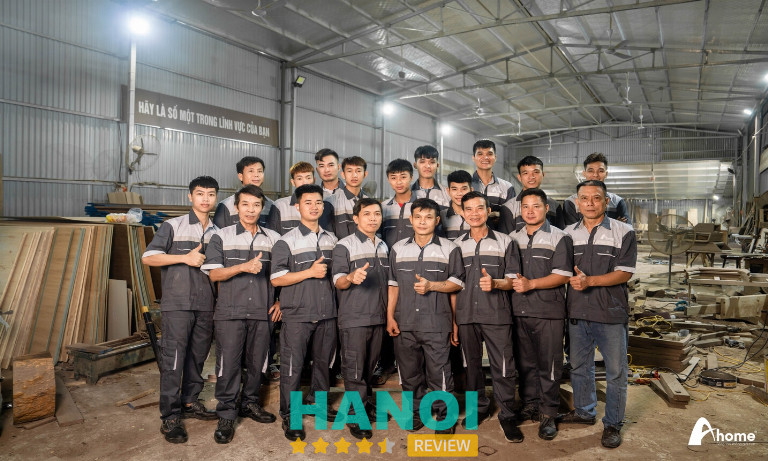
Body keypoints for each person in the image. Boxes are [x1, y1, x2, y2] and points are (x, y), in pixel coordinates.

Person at [142, 176, 220, 444]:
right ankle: (170, 416)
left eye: (210, 194)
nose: (205, 199)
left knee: (198, 357)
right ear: (190, 196)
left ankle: (189, 401)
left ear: (216, 198)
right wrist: (184, 258)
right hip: (178, 304)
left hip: (205, 304)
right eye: (200, 193)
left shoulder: (218, 232)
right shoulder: (173, 226)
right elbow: (148, 257)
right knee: (174, 360)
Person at [559, 180, 636, 449]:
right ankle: (584, 412)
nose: (590, 203)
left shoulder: (623, 231)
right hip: (577, 311)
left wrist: (589, 281)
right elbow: (561, 270)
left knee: (616, 372)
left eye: (596, 198)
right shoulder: (567, 233)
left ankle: (613, 423)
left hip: (610, 313)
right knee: (580, 366)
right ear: (577, 203)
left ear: (606, 201)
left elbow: (624, 273)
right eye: (584, 198)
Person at [202, 185, 282, 444]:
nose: (250, 210)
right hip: (230, 312)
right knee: (228, 364)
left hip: (262, 310)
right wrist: (243, 267)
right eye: (245, 204)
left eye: (256, 205)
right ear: (236, 207)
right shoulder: (221, 236)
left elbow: (281, 274)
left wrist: (280, 301)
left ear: (262, 208)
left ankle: (249, 403)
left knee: (259, 362)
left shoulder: (273, 238)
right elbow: (214, 274)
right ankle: (226, 413)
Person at [387, 198, 464, 434]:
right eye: (418, 217)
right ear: (410, 220)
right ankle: (416, 413)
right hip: (405, 322)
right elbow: (393, 285)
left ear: (437, 220)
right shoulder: (398, 249)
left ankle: (445, 416)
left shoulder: (450, 249)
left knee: (440, 372)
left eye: (428, 217)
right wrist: (390, 317)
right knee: (409, 373)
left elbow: (456, 284)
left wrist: (432, 286)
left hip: (436, 322)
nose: (423, 222)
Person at [452, 191, 523, 442]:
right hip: (466, 315)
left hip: (497, 314)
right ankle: (478, 408)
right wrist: (454, 320)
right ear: (462, 213)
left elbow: (513, 280)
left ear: (488, 210)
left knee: (503, 366)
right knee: (471, 367)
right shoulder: (456, 245)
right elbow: (454, 284)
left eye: (479, 208)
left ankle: (507, 414)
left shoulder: (506, 242)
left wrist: (495, 283)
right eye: (469, 209)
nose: (475, 214)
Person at [270, 184, 339, 441]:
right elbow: (277, 278)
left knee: (323, 364)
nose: (314, 206)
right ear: (297, 206)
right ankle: (290, 414)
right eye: (307, 202)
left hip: (327, 313)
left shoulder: (332, 240)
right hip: (297, 314)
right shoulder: (286, 241)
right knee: (293, 366)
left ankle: (317, 404)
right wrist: (309, 272)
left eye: (318, 202)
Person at [508, 188, 573, 441]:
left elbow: (563, 275)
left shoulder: (560, 237)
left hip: (548, 312)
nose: (530, 211)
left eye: (536, 206)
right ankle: (530, 404)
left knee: (549, 365)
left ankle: (548, 413)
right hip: (519, 310)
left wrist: (531, 284)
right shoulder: (512, 238)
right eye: (525, 206)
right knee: (525, 364)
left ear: (546, 208)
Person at [332, 198, 389, 440]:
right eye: (367, 214)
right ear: (356, 218)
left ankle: (364, 404)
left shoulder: (384, 246)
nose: (373, 218)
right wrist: (350, 277)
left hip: (378, 316)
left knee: (368, 367)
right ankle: (355, 414)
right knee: (354, 369)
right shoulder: (344, 245)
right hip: (355, 317)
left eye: (377, 214)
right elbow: (338, 281)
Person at [375, 159, 417, 385]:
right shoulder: (383, 208)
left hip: (414, 269)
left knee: (410, 314)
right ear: (388, 180)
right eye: (393, 177)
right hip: (387, 270)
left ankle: (409, 365)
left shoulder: (421, 206)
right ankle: (385, 363)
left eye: (403, 177)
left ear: (411, 177)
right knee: (386, 312)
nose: (398, 182)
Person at [499, 155, 565, 233]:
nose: (531, 177)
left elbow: (560, 233)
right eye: (526, 173)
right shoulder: (509, 207)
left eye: (536, 172)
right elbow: (505, 238)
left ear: (543, 175)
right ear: (519, 177)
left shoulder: (555, 205)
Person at [563, 153, 631, 226]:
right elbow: (572, 231)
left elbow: (626, 229)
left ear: (606, 174)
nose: (595, 175)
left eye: (600, 171)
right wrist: (614, 225)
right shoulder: (570, 202)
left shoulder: (617, 201)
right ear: (584, 173)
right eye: (590, 171)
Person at [213, 156, 273, 230]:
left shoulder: (272, 206)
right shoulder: (226, 206)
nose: (256, 175)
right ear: (240, 176)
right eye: (251, 171)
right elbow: (219, 234)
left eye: (260, 171)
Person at [267, 161, 322, 235]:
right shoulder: (280, 206)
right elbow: (271, 236)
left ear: (314, 180)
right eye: (299, 179)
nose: (304, 182)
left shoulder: (321, 206)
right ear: (293, 182)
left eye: (308, 178)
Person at [324, 156, 369, 239]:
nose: (354, 175)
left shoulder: (370, 203)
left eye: (358, 171)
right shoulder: (330, 202)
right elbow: (327, 236)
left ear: (365, 174)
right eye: (349, 171)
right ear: (343, 175)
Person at [470, 139, 516, 217]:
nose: (485, 157)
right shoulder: (465, 186)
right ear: (473, 158)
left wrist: (497, 215)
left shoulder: (507, 187)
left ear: (495, 157)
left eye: (489, 154)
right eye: (480, 154)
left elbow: (512, 214)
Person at [411, 145, 450, 210]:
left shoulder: (447, 193)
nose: (427, 166)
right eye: (422, 162)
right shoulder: (407, 192)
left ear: (437, 165)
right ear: (415, 165)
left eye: (432, 162)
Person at [440, 170, 473, 240]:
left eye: (464, 189)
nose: (459, 193)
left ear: (471, 190)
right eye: (454, 189)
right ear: (448, 191)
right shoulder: (441, 216)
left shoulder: (479, 215)